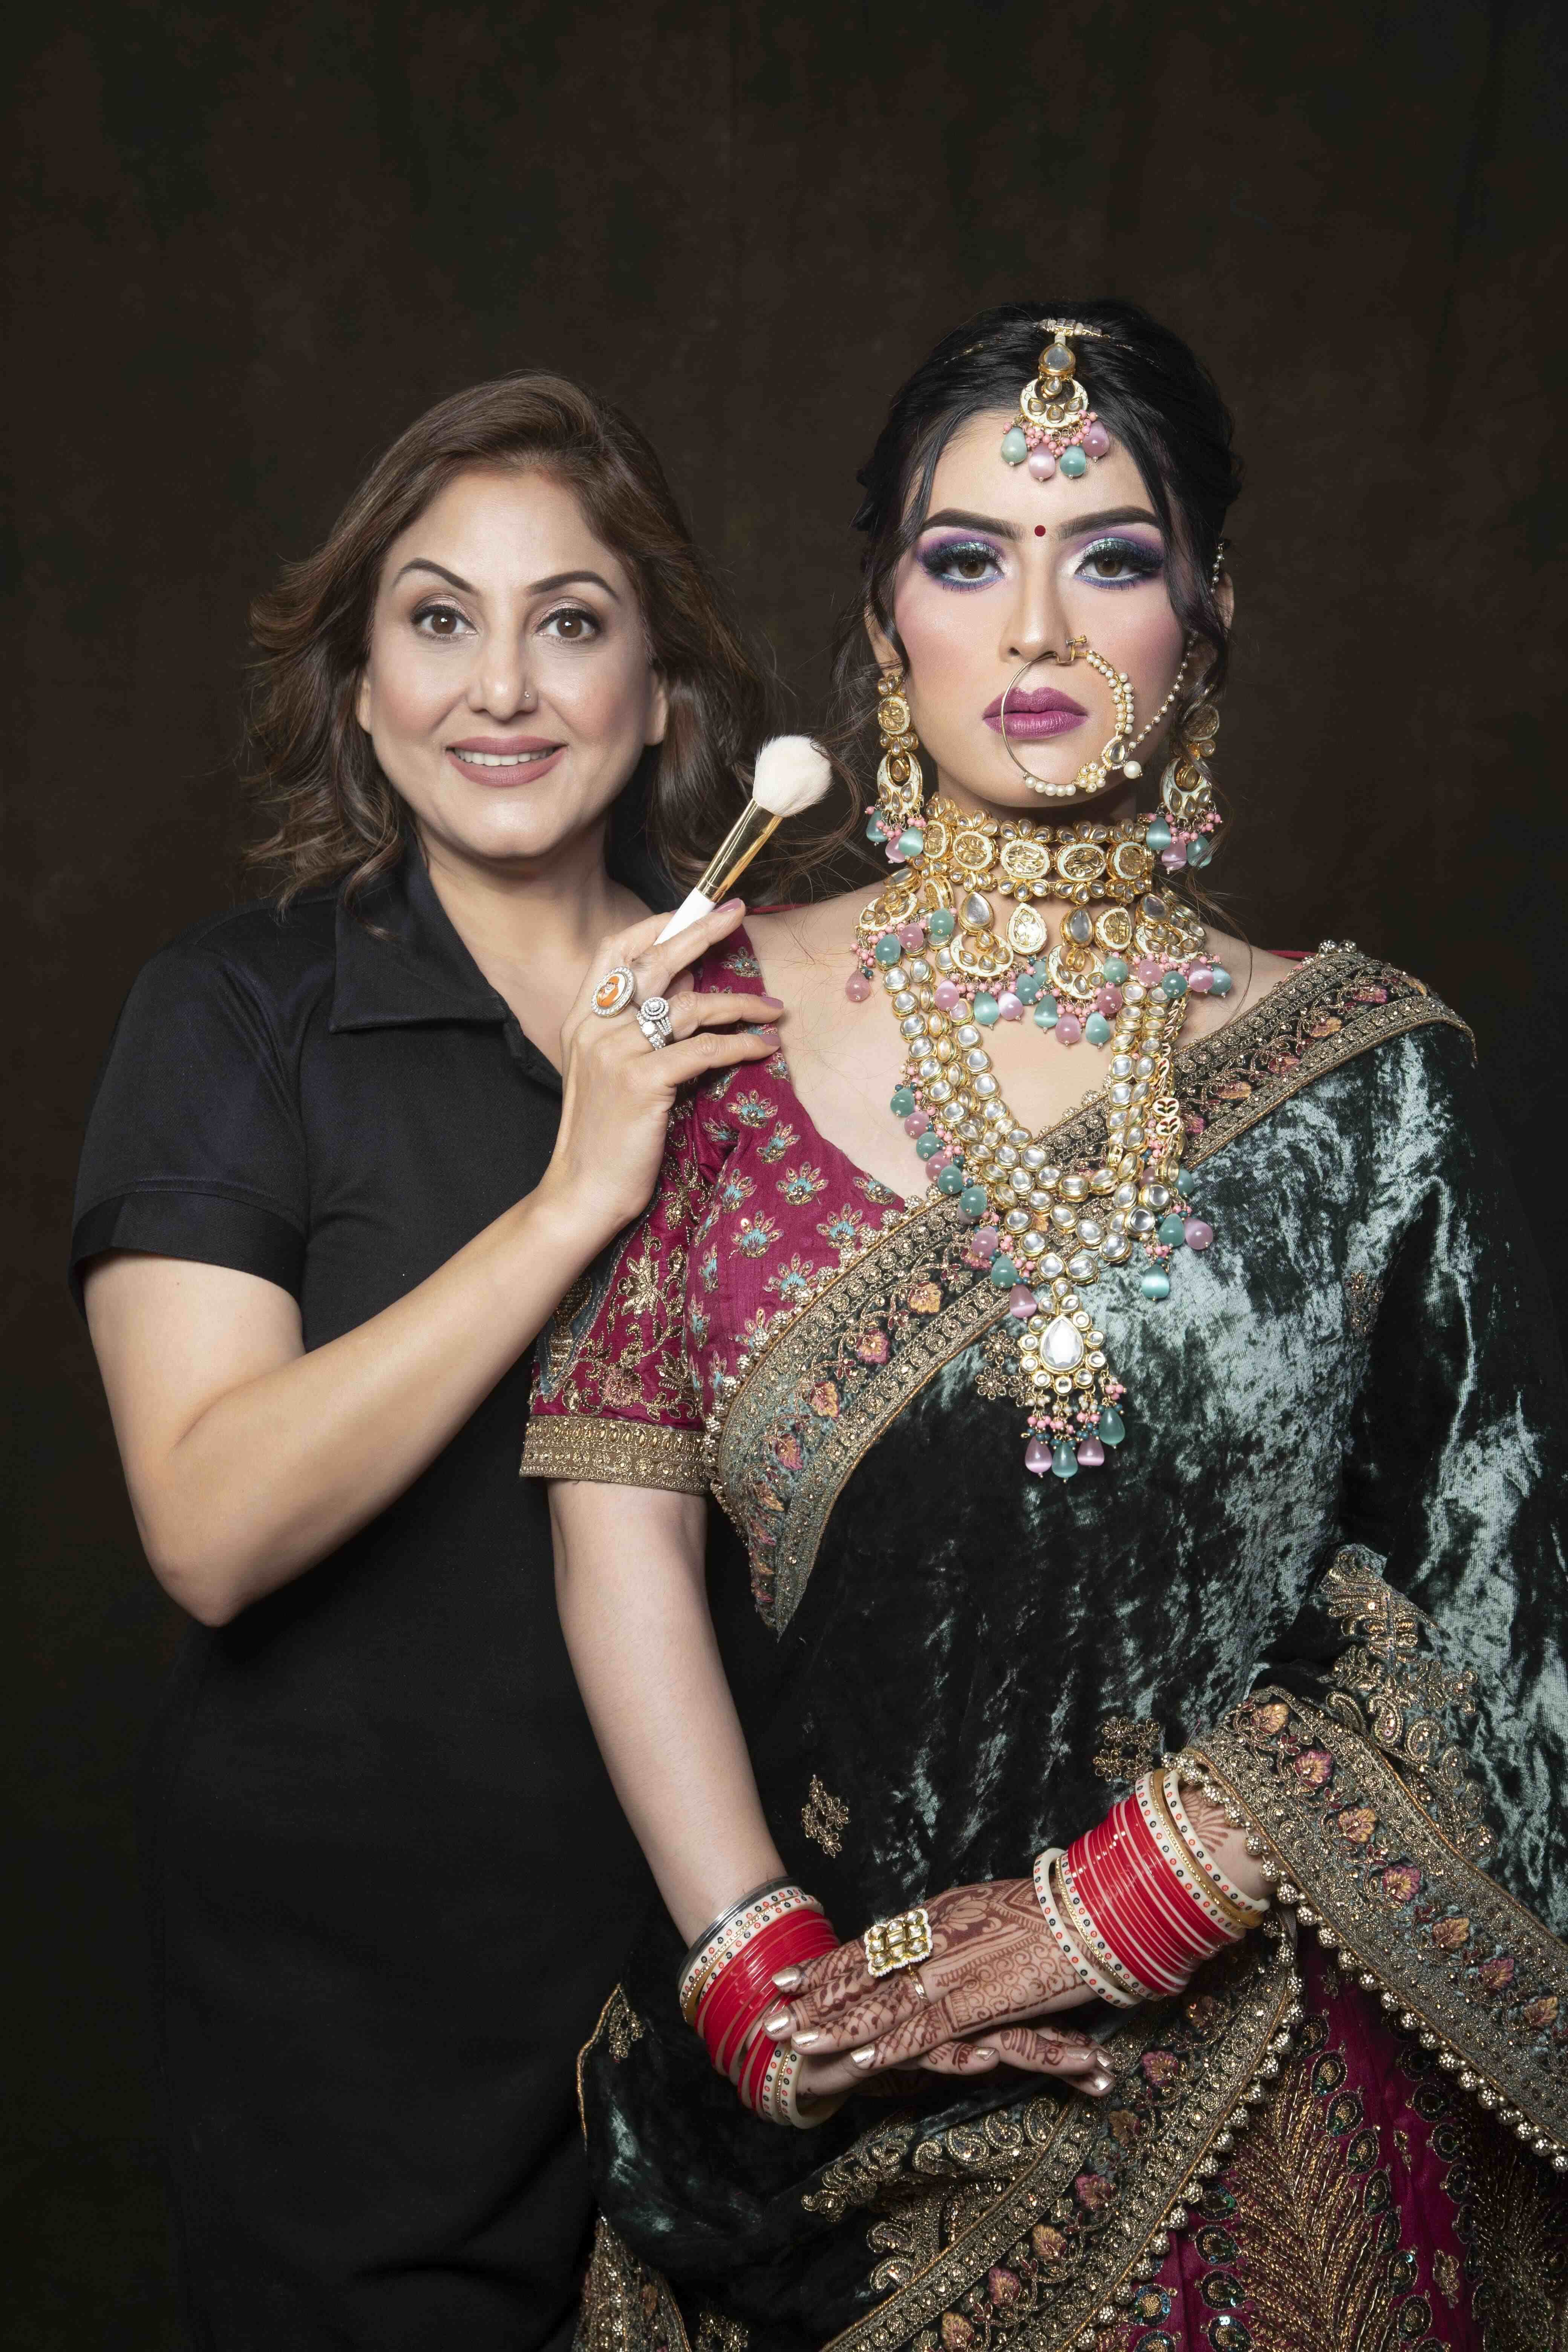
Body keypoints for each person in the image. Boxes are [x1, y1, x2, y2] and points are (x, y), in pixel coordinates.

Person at [525, 306, 1568, 2349]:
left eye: (1111, 558)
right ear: (883, 618)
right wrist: (759, 1976)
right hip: (804, 2077)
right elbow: (615, 1497)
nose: (1036, 630)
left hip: (1251, 2077)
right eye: (966, 557)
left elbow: (1484, 1618)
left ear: (1211, 612)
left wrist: (1117, 1913)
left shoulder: (1369, 1078)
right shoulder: (709, 1015)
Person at [72, 372, 790, 2351]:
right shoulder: (239, 1013)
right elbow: (210, 1525)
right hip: (356, 2015)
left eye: (572, 620)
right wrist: (571, 1199)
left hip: (730, 1955)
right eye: (439, 618)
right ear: (363, 690)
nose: (504, 687)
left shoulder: (785, 1014)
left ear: (662, 691)